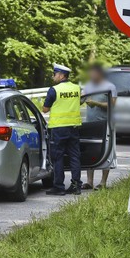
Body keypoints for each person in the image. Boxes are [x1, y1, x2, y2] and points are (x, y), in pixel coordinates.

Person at [42, 64, 82, 196]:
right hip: (74, 127)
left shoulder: (54, 90)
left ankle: (59, 187)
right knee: (74, 156)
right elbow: (80, 101)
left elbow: (45, 109)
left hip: (59, 128)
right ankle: (76, 185)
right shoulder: (77, 88)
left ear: (61, 75)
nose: (53, 76)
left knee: (58, 157)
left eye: (55, 74)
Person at [82, 63, 117, 190]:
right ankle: (89, 181)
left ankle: (103, 182)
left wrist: (96, 103)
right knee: (90, 150)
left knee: (106, 150)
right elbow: (81, 99)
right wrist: (82, 98)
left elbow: (112, 105)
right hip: (90, 123)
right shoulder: (88, 86)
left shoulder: (109, 86)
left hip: (105, 123)